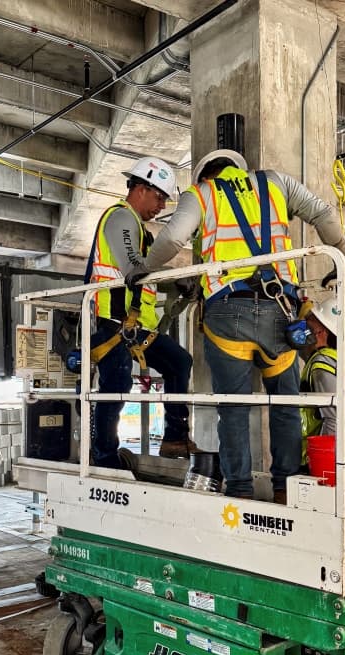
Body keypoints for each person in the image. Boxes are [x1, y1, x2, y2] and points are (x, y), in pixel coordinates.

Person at [134, 149, 345, 503]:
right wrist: (343, 258)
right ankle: (285, 489)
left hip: (227, 314)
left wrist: (143, 269)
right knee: (285, 404)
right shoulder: (275, 183)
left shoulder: (201, 194)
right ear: (240, 170)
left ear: (205, 176)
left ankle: (240, 492)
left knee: (233, 408)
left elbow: (171, 240)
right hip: (281, 310)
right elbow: (323, 212)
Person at [88, 156, 195, 469]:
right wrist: (172, 273)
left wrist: (179, 281)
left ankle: (175, 436)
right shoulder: (120, 218)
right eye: (159, 197)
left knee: (179, 362)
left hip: (135, 327)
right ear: (140, 188)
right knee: (115, 387)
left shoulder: (138, 229)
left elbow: (142, 277)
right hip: (112, 323)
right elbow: (133, 268)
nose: (161, 206)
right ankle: (105, 457)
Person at [300, 298, 339, 462]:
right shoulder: (323, 358)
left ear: (321, 332)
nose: (306, 325)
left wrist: (322, 460)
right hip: (311, 451)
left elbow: (333, 419)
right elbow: (302, 349)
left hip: (314, 457)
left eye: (311, 323)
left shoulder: (321, 365)